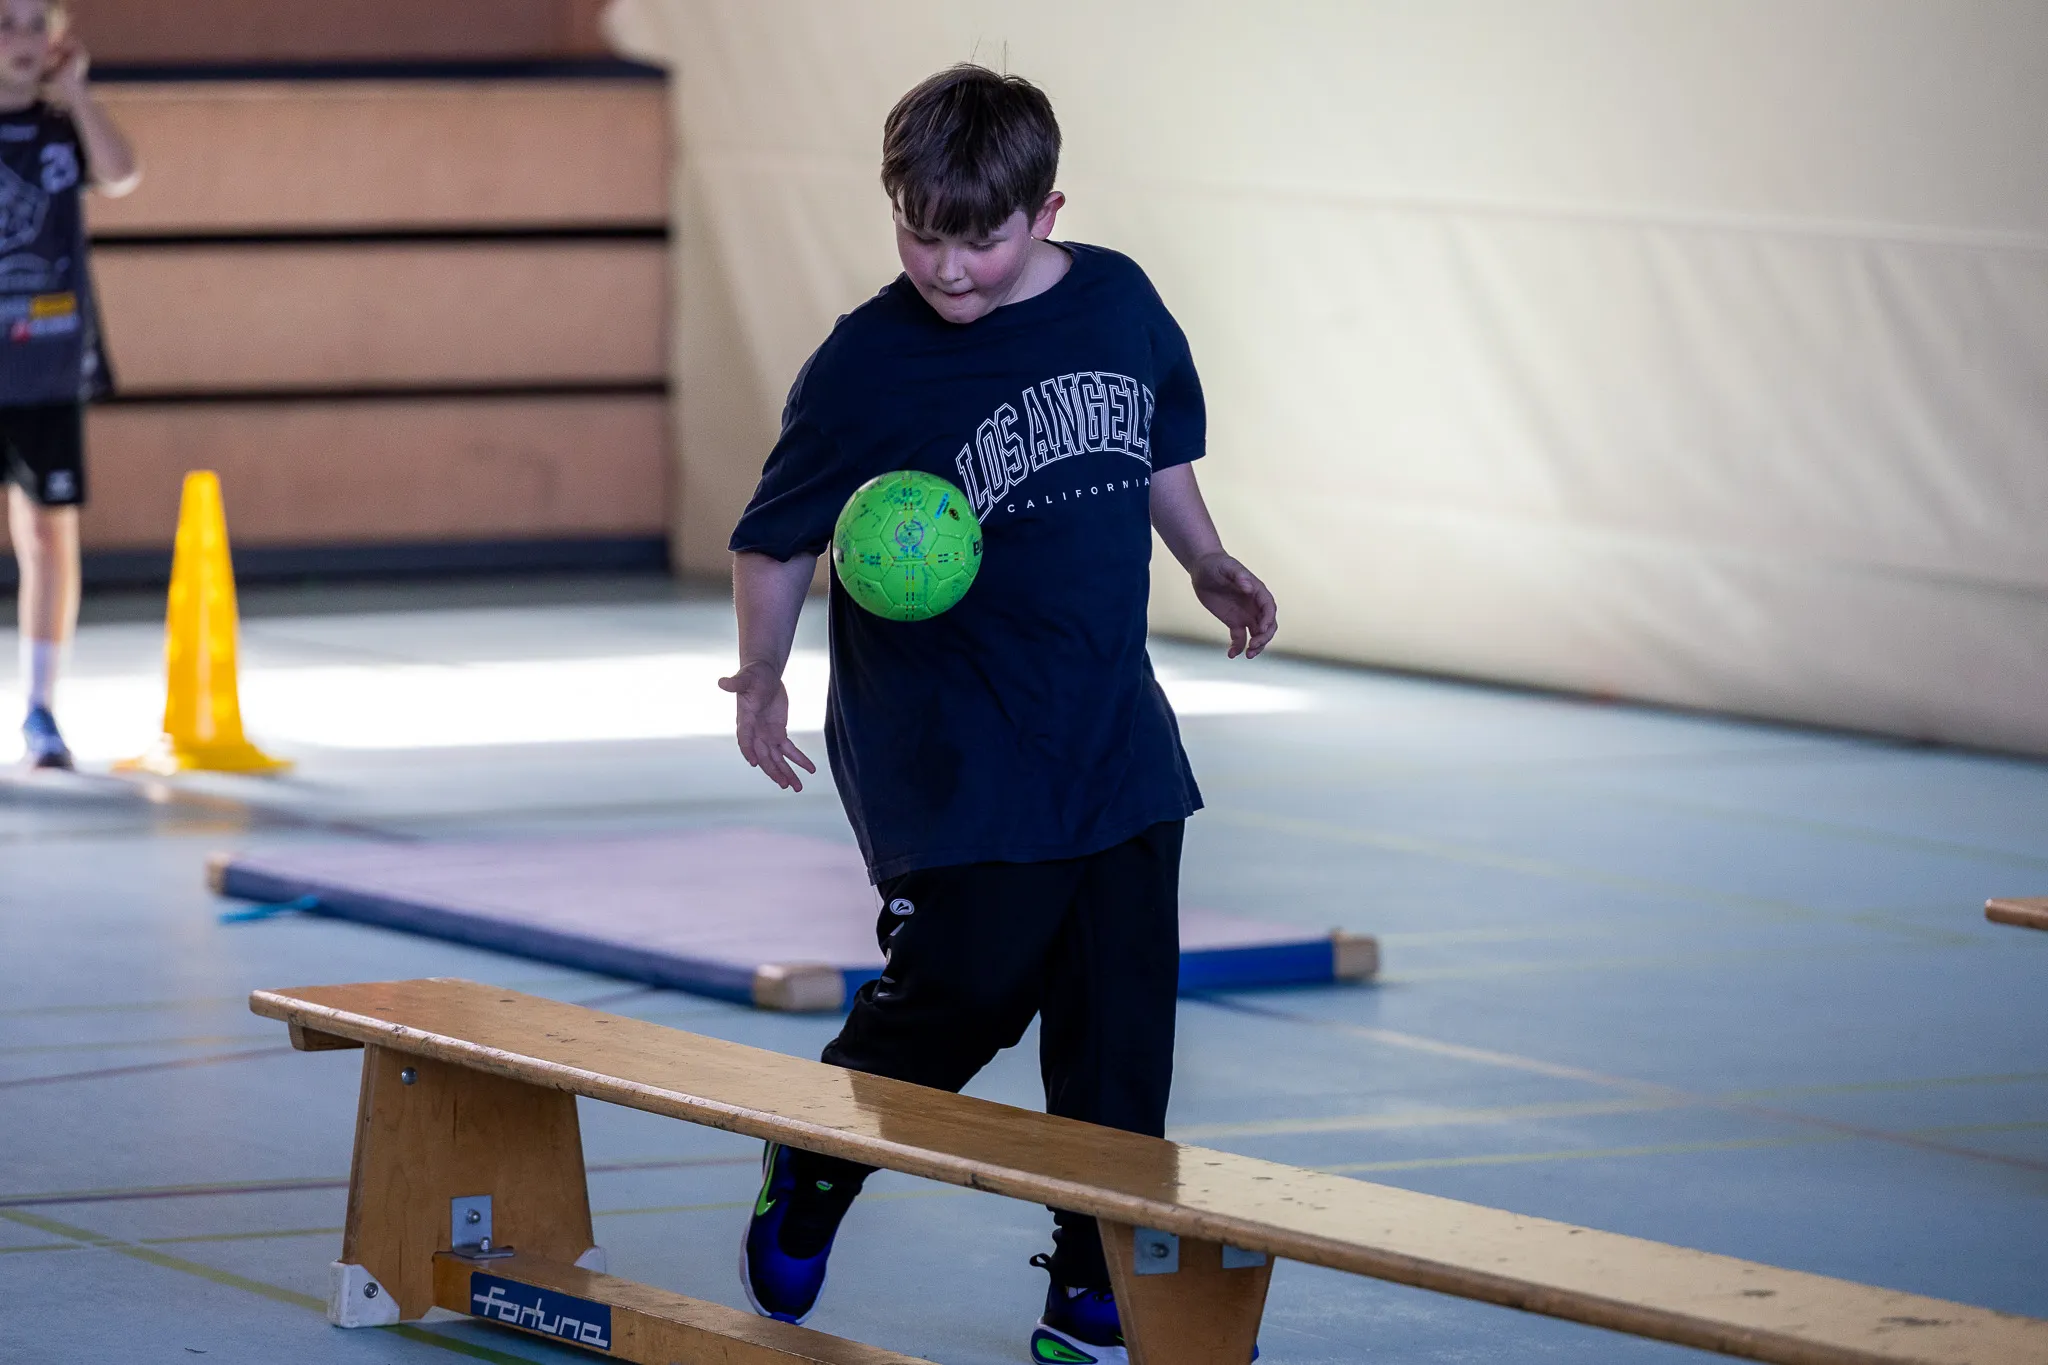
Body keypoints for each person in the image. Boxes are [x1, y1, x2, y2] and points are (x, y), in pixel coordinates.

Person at [719, 64, 1276, 1364]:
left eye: (982, 238)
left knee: (1121, 1028)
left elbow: (1155, 442)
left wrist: (1203, 556)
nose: (951, 269)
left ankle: (1092, 1287)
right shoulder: (869, 361)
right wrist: (762, 672)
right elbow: (775, 537)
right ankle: (816, 1160)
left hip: (1108, 729)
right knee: (968, 987)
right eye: (922, 234)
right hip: (948, 738)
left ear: (1047, 208)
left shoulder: (1122, 302)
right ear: (894, 207)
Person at [0, 0, 138, 769]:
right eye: (4, 24)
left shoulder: (60, 130)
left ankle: (40, 709)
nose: (21, 41)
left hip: (47, 362)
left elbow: (122, 174)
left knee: (48, 533)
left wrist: (80, 91)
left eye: (34, 24)